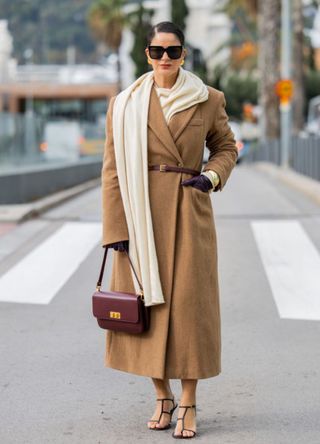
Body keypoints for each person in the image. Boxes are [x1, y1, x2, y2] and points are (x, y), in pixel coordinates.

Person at [101, 21, 238, 440]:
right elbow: (110, 171)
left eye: (173, 51)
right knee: (143, 312)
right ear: (146, 54)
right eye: (157, 51)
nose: (165, 59)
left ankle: (190, 401)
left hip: (188, 210)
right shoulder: (124, 104)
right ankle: (161, 396)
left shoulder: (208, 99)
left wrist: (210, 178)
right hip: (140, 217)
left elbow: (227, 147)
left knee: (191, 312)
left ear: (184, 55)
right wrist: (115, 229)